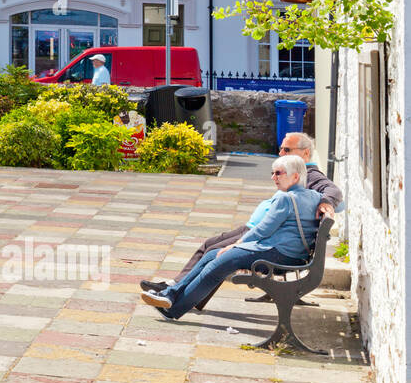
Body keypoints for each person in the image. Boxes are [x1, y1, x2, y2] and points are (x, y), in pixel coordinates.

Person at [140, 131, 342, 309]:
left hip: (267, 236)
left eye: (287, 150)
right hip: (261, 230)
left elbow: (333, 190)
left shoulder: (312, 175)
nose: (281, 153)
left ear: (305, 153)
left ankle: (180, 294)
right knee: (210, 245)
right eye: (280, 149)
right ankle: (175, 288)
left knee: (216, 253)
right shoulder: (293, 171)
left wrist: (327, 201)